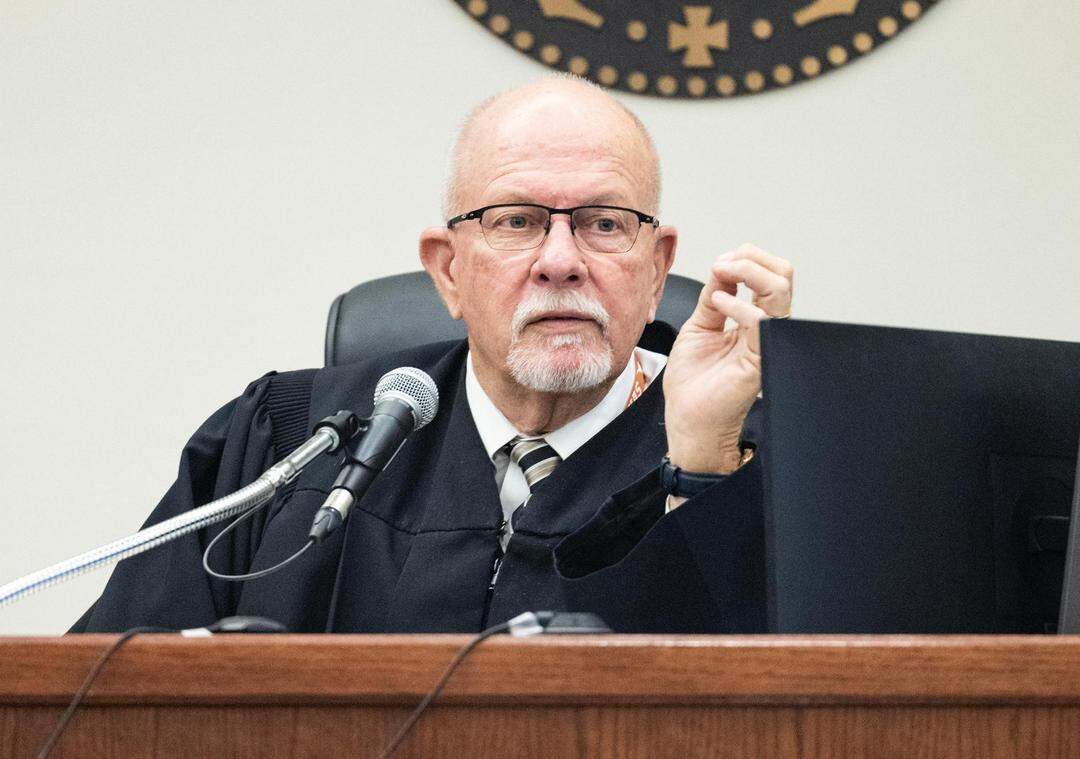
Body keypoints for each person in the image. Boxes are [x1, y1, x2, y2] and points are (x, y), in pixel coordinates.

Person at [73, 76, 794, 634]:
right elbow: (102, 698)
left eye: (604, 223)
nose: (561, 261)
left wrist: (701, 469)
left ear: (658, 266)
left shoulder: (752, 459)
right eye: (517, 221)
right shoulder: (286, 442)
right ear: (447, 269)